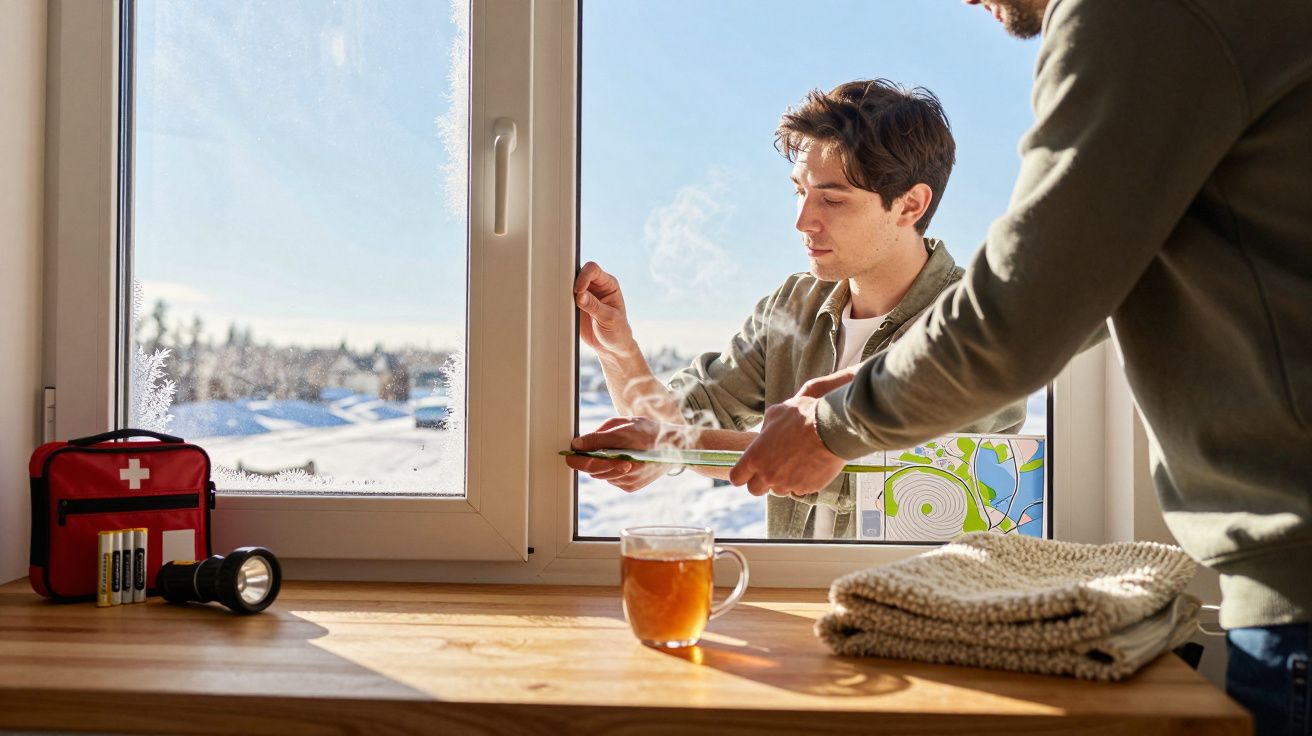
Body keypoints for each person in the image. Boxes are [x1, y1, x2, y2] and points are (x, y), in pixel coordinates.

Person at [728, 0, 1312, 731]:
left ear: (911, 205)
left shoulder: (1135, 16)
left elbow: (1026, 310)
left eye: (833, 197)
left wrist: (833, 425)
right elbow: (1086, 290)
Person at [568, 79, 1026, 539]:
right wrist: (617, 347)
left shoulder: (975, 323)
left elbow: (876, 477)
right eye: (798, 191)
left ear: (910, 205)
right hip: (800, 592)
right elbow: (678, 422)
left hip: (929, 599)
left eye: (831, 199)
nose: (803, 221)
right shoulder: (792, 307)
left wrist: (675, 446)